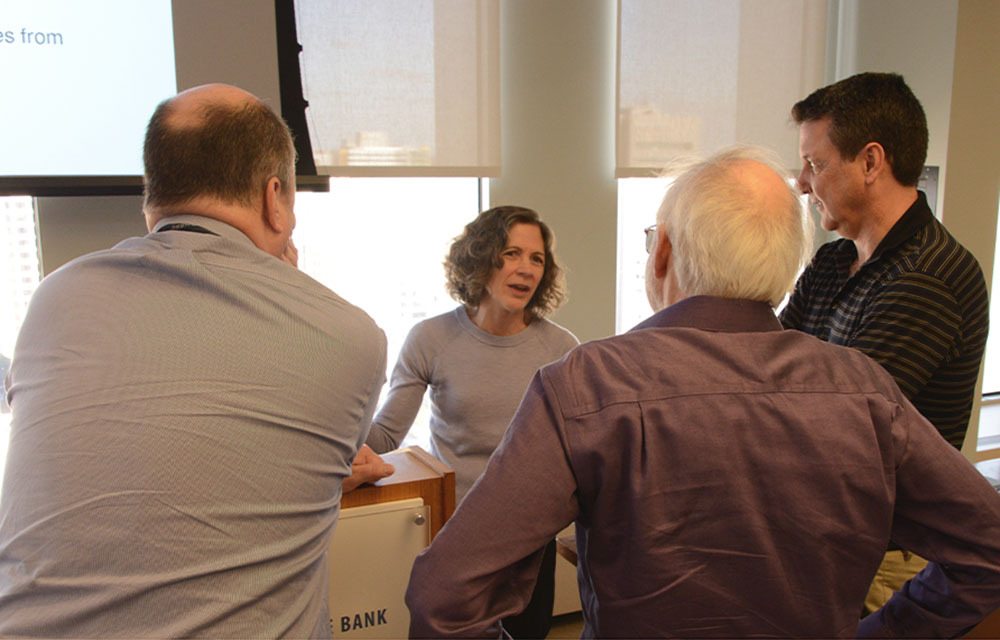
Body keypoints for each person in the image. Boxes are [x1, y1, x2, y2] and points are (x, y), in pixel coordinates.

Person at [404, 146, 1000, 638]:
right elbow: (988, 550)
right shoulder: (867, 392)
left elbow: (444, 595)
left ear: (663, 250)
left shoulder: (587, 383)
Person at [0, 84, 393, 638]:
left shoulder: (53, 300)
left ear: (151, 199)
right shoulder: (349, 336)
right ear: (273, 197)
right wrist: (292, 288)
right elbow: (331, 463)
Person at [779, 71, 990, 613]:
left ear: (871, 162)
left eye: (816, 164)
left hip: (884, 557)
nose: (802, 183)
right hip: (827, 535)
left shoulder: (928, 276)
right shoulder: (832, 259)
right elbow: (767, 365)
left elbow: (835, 423)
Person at [365, 205, 578, 638]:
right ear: (480, 258)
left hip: (528, 540)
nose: (526, 269)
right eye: (512, 253)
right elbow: (386, 435)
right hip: (454, 532)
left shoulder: (561, 347)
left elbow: (576, 449)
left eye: (536, 259)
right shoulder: (430, 339)